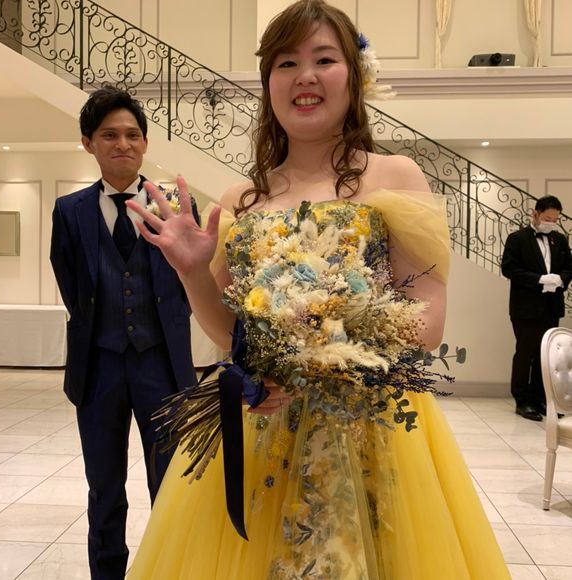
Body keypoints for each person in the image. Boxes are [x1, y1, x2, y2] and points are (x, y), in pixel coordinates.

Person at [126, 1, 509, 577]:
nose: (304, 75)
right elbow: (229, 335)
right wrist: (191, 271)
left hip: (370, 429)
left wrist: (313, 343)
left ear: (354, 77)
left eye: (324, 59)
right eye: (286, 63)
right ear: (268, 85)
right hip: (262, 428)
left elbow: (427, 324)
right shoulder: (238, 201)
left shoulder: (395, 177)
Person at [49, 86, 197, 580]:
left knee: (171, 487)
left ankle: (167, 572)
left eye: (133, 135)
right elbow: (70, 283)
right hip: (99, 368)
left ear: (145, 142)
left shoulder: (172, 204)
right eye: (109, 135)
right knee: (104, 489)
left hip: (162, 366)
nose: (123, 144)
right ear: (88, 143)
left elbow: (190, 280)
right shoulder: (69, 211)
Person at [502, 195, 572, 421]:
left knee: (547, 356)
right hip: (525, 307)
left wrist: (560, 280)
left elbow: (569, 268)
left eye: (555, 219)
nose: (551, 223)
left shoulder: (559, 240)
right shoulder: (517, 239)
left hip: (551, 306)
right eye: (547, 218)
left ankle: (541, 398)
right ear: (535, 214)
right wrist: (539, 279)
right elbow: (509, 269)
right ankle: (522, 401)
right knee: (526, 353)